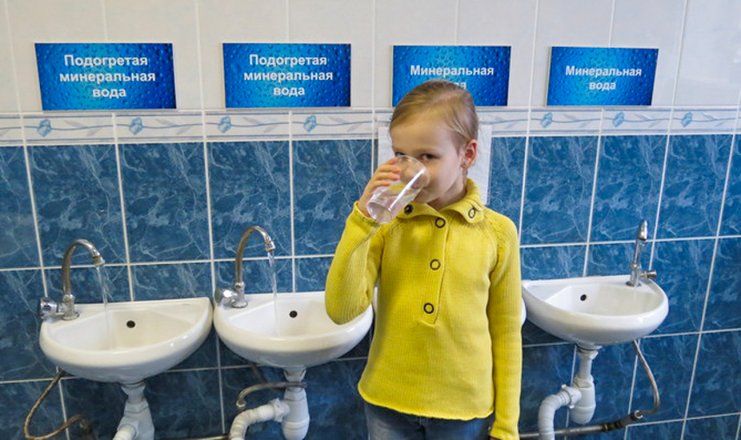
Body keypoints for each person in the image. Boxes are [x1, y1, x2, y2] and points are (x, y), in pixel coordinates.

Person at [325, 79, 522, 440]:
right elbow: (342, 310)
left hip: (463, 410)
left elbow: (506, 333)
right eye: (401, 154)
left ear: (467, 155)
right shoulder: (385, 225)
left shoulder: (498, 234)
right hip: (387, 402)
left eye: (427, 157)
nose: (409, 170)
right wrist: (362, 219)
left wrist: (507, 425)